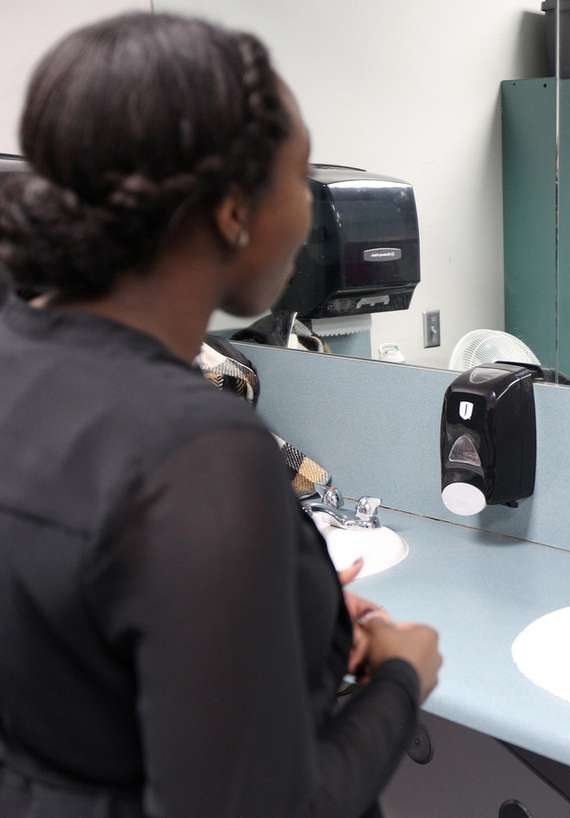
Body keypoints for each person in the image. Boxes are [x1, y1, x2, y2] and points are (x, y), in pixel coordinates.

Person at [0, 12, 442, 817]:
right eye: (299, 183)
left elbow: (71, 628)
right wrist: (403, 678)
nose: (308, 218)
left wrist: (300, 629)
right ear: (235, 211)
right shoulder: (199, 450)